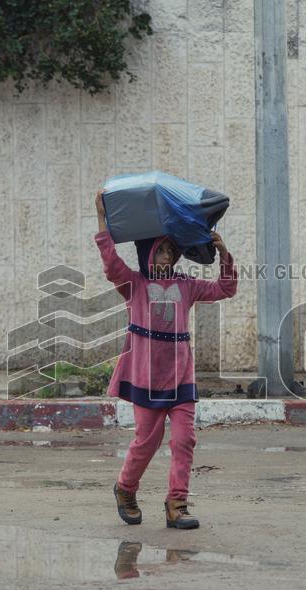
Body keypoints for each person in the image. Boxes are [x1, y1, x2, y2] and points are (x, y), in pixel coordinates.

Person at [93, 188, 238, 529]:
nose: (166, 257)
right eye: (161, 251)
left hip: (180, 378)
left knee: (184, 438)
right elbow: (111, 264)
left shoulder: (187, 285)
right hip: (145, 376)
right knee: (147, 441)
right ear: (149, 254)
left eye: (172, 252)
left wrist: (225, 254)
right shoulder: (134, 285)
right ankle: (125, 489)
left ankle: (177, 504)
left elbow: (225, 289)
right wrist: (102, 218)